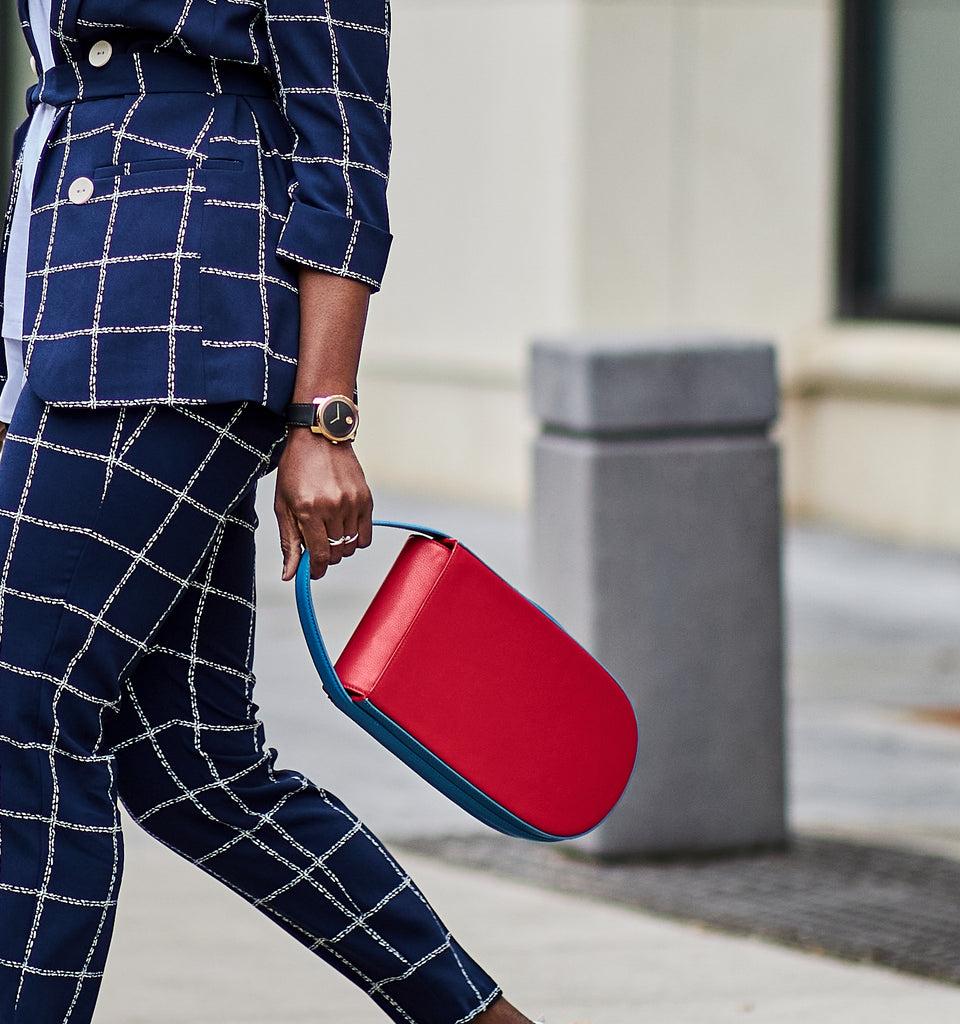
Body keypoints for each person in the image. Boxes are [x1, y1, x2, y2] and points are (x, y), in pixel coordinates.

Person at [0, 3, 544, 1022]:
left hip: (179, 316)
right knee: (192, 762)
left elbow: (344, 133)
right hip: (80, 314)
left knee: (21, 703)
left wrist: (324, 416)